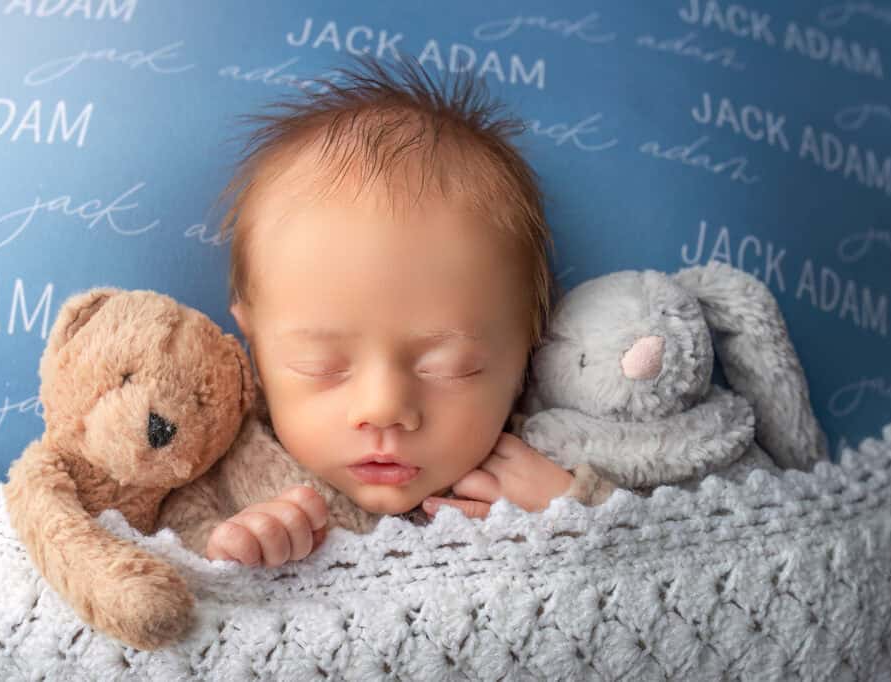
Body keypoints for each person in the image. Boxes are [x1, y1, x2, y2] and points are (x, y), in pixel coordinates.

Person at [204, 54, 613, 568]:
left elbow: (674, 553)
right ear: (254, 347)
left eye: (451, 367)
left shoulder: (551, 460)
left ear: (527, 352)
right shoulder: (229, 466)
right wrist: (227, 551)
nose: (383, 408)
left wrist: (579, 515)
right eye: (320, 366)